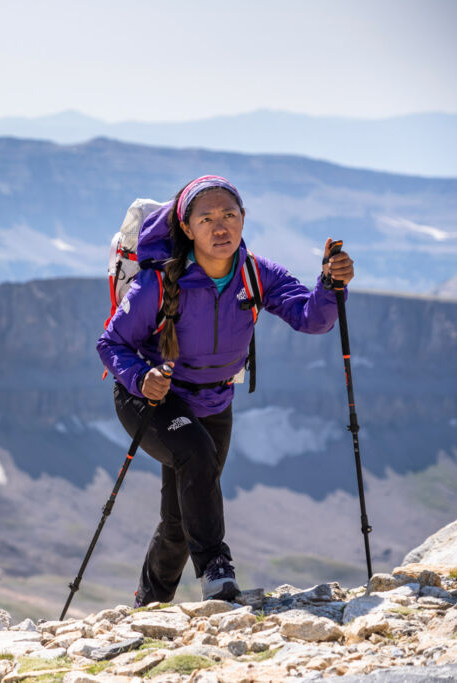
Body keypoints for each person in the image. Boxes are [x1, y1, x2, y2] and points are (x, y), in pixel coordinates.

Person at [96, 175, 355, 604]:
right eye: (207, 218)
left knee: (182, 517)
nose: (220, 228)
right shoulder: (157, 284)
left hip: (214, 399)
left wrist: (329, 285)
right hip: (150, 397)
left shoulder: (256, 273)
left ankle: (149, 603)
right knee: (195, 454)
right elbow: (111, 343)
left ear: (243, 219)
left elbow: (313, 318)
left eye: (229, 216)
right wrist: (141, 378)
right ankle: (216, 569)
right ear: (187, 228)